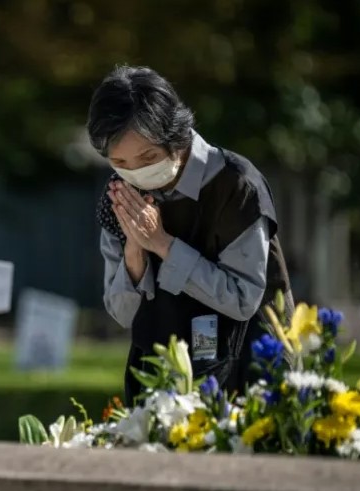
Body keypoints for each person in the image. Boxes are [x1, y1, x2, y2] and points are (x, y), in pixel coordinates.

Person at [87, 65, 293, 405]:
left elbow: (243, 300)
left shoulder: (235, 185)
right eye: (120, 162)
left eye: (148, 157)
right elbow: (122, 312)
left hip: (249, 375)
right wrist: (135, 253)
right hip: (160, 380)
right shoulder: (119, 195)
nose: (136, 172)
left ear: (177, 136)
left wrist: (163, 245)